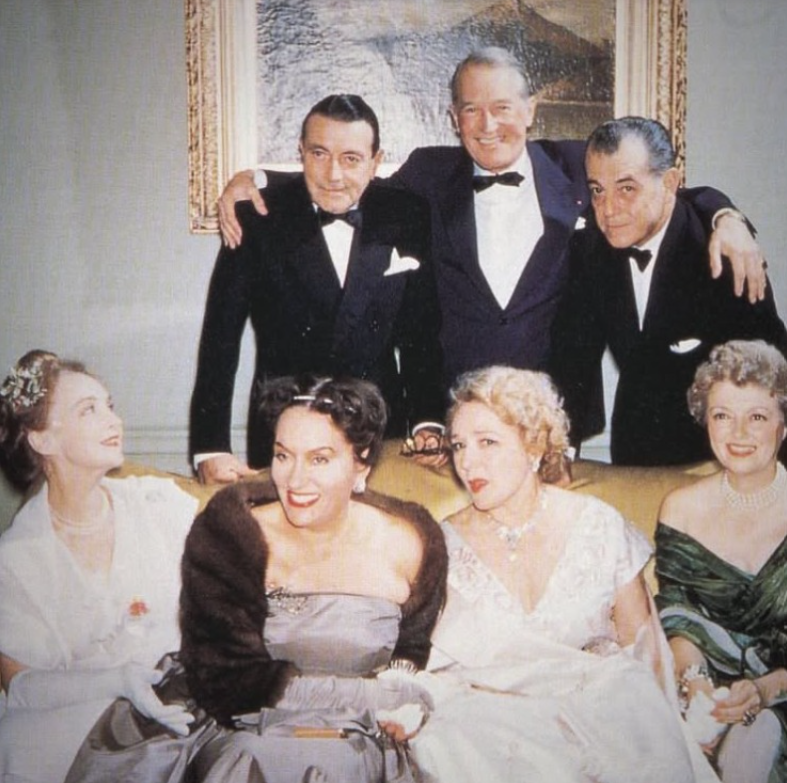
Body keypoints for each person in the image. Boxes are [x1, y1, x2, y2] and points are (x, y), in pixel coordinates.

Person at [217, 48, 766, 397]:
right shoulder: (428, 174)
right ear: (453, 119)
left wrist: (726, 215)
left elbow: (668, 189)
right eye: (471, 110)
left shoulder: (578, 166)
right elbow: (345, 184)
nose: (487, 125)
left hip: (556, 413)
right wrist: (260, 179)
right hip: (458, 410)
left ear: (530, 111)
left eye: (502, 107)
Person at [66, 375, 448, 783]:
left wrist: (405, 703)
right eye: (284, 456)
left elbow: (409, 652)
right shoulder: (229, 531)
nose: (296, 480)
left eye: (320, 459)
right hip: (240, 730)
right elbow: (229, 682)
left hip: (357, 740)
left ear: (362, 462)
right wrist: (383, 696)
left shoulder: (413, 539)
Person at [407, 365, 719, 782]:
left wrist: (680, 719)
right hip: (492, 730)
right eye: (460, 445)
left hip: (600, 717)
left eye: (488, 442)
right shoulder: (440, 544)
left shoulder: (598, 524)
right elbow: (427, 663)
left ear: (534, 446)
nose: (468, 461)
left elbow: (643, 649)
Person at [190, 94, 444, 484]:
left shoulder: (406, 214)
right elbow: (220, 341)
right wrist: (211, 446)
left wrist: (428, 421)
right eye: (319, 154)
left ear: (376, 162)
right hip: (286, 432)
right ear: (301, 154)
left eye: (351, 159)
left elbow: (422, 336)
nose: (333, 175)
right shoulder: (257, 217)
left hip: (378, 435)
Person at [0, 350, 198, 783]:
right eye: (89, 410)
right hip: (78, 727)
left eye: (110, 405)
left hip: (180, 711)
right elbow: (22, 687)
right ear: (42, 439)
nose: (114, 420)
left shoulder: (159, 505)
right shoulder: (16, 559)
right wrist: (116, 681)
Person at [550, 117, 787, 466]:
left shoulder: (724, 253)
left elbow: (772, 378)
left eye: (627, 188)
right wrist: (561, 452)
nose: (608, 210)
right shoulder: (590, 250)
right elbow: (573, 361)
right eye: (598, 190)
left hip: (720, 462)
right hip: (636, 457)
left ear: (670, 183)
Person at [655, 340, 787, 782]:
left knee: (757, 740)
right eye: (722, 416)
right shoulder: (680, 509)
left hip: (780, 692)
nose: (739, 434)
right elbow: (677, 616)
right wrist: (696, 686)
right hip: (710, 692)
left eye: (757, 417)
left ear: (782, 426)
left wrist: (764, 691)